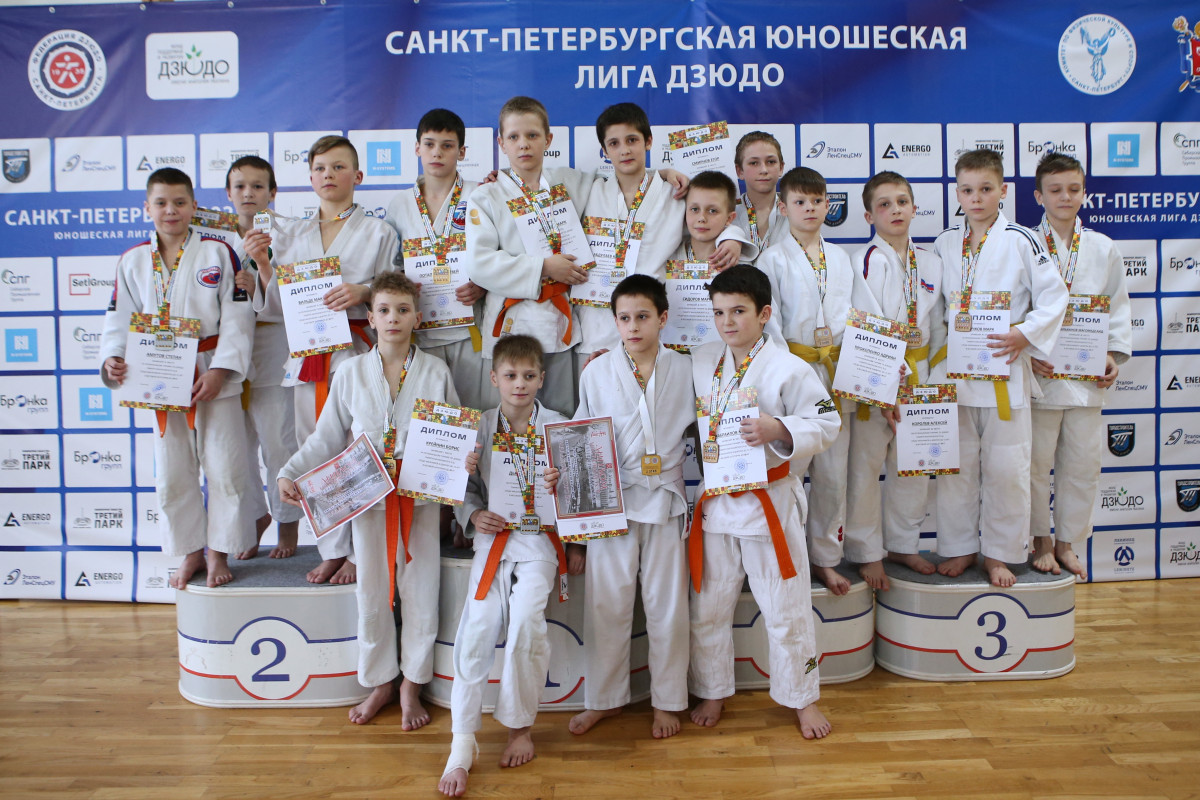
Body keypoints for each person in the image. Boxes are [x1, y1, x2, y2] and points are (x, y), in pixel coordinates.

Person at [278, 273, 457, 727]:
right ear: (371, 318)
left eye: (402, 310)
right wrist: (289, 472)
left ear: (418, 317)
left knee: (421, 592)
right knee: (372, 593)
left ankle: (412, 684)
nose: (393, 318)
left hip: (419, 498)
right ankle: (380, 681)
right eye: (384, 310)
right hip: (367, 497)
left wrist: (463, 460)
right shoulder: (351, 372)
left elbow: (454, 432)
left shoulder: (435, 371)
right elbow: (325, 437)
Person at [687, 265, 840, 738]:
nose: (727, 322)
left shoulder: (790, 367)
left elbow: (828, 422)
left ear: (764, 313)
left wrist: (780, 428)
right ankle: (712, 689)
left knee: (785, 608)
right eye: (718, 313)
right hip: (717, 504)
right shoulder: (701, 360)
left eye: (738, 311)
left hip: (769, 503)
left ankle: (803, 699)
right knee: (708, 607)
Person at [99, 168, 255, 589]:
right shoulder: (133, 260)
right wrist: (113, 358)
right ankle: (191, 552)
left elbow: (238, 315)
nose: (171, 210)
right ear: (147, 208)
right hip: (158, 375)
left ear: (193, 206)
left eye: (180, 202)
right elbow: (118, 318)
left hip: (211, 368)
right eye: (161, 203)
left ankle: (219, 551)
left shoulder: (219, 252)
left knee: (225, 467)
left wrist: (222, 369)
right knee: (172, 473)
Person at [930, 148, 1068, 587]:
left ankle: (1000, 553)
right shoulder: (944, 242)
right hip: (956, 376)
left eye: (986, 189)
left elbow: (1055, 297)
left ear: (1003, 190)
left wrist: (1025, 334)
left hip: (1004, 373)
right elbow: (934, 311)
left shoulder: (1023, 239)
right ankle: (959, 547)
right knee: (956, 469)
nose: (976, 198)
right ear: (957, 193)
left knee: (1008, 470)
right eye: (967, 190)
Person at [438, 335, 568, 797]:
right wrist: (473, 513)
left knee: (527, 623)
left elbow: (580, 491)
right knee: (477, 627)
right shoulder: (476, 427)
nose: (520, 384)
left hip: (539, 543)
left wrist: (559, 481)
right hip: (493, 541)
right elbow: (461, 490)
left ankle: (519, 727)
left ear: (542, 379)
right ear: (494, 378)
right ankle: (461, 742)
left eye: (529, 376)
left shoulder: (559, 427)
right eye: (510, 375)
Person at [268, 134, 400, 584]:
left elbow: (398, 290)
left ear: (357, 176)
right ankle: (331, 547)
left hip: (357, 353)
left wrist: (365, 291)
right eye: (321, 168)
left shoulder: (379, 232)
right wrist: (264, 267)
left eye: (339, 167)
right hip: (308, 357)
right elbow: (275, 304)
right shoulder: (291, 234)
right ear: (310, 178)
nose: (329, 175)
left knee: (357, 450)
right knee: (314, 447)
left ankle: (360, 552)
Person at [567, 275, 693, 739]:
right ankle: (604, 700)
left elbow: (711, 425)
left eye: (643, 317)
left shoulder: (687, 368)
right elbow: (581, 444)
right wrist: (579, 535)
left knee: (667, 606)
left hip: (665, 500)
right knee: (607, 605)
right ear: (614, 322)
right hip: (612, 501)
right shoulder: (596, 372)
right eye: (624, 318)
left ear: (663, 318)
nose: (633, 326)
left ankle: (668, 701)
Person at [1028, 152, 1131, 580]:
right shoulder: (1026, 244)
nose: (1065, 197)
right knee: (1035, 466)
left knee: (1082, 465)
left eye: (1073, 189)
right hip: (1041, 376)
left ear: (1084, 193)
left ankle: (1068, 542)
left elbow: (1117, 307)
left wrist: (1113, 355)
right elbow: (1015, 306)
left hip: (1086, 379)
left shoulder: (1103, 248)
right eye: (1055, 190)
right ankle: (1041, 540)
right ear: (1039, 196)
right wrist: (1028, 352)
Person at [755, 167, 855, 594]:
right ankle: (786, 556)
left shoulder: (842, 258)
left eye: (817, 201)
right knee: (788, 472)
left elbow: (859, 317)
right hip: (794, 372)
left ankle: (826, 559)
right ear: (783, 208)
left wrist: (873, 369)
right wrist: (787, 373)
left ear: (828, 205)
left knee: (833, 474)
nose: (810, 208)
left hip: (837, 372)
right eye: (799, 201)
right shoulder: (771, 259)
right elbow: (769, 323)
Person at [843, 171, 945, 589]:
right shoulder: (864, 261)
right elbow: (866, 326)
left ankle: (903, 544)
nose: (895, 210)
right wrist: (887, 388)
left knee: (914, 468)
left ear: (915, 208)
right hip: (877, 379)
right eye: (884, 204)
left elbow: (939, 326)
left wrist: (935, 382)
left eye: (902, 201)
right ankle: (867, 551)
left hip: (921, 377)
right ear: (869, 216)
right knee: (865, 468)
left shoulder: (932, 263)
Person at [578, 102, 741, 359]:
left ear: (649, 141)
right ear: (604, 151)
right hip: (598, 324)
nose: (624, 150)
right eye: (614, 143)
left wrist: (732, 238)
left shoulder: (675, 193)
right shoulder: (590, 191)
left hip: (653, 326)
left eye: (632, 140)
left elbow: (709, 217)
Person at [223, 155, 302, 561]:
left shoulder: (291, 233)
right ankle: (255, 517)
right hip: (227, 353)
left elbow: (299, 298)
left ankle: (287, 525)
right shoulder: (213, 238)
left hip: (273, 347)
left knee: (277, 443)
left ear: (273, 192)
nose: (248, 193)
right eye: (240, 186)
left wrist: (261, 281)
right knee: (236, 449)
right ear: (228, 193)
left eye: (258, 186)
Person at [385, 108, 488, 410]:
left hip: (470, 329)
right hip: (420, 332)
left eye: (447, 145)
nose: (437, 153)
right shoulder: (400, 204)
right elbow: (392, 267)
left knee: (474, 414)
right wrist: (404, 287)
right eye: (429, 144)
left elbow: (498, 254)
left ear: (462, 151)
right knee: (428, 422)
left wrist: (484, 285)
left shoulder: (481, 195)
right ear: (417, 148)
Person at [670, 170, 759, 266]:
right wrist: (666, 173)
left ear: (729, 218)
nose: (702, 218)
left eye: (712, 211)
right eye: (695, 209)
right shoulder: (669, 255)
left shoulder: (738, 263)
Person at [733, 131, 787, 258]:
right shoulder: (726, 214)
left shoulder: (796, 211)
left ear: (781, 168)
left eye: (771, 162)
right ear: (740, 171)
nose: (764, 170)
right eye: (754, 163)